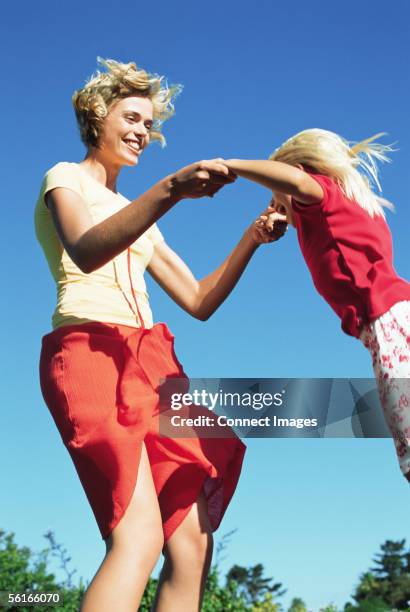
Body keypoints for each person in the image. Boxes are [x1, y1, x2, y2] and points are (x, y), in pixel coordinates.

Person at [34, 58, 287, 612]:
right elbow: (86, 247)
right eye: (131, 118)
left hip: (152, 366)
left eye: (149, 125)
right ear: (95, 116)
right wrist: (172, 187)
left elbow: (198, 301)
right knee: (139, 536)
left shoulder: (139, 212)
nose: (142, 133)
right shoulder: (64, 179)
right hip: (91, 353)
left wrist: (251, 238)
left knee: (193, 541)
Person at [224, 129, 410, 481]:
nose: (276, 203)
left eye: (278, 194)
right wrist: (281, 214)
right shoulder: (341, 206)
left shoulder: (321, 193)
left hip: (389, 324)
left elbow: (295, 182)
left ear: (300, 171)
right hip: (393, 321)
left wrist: (230, 166)